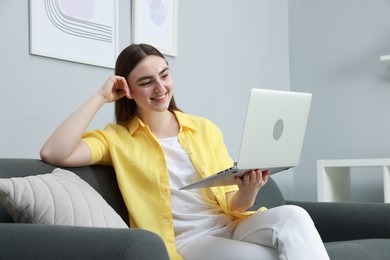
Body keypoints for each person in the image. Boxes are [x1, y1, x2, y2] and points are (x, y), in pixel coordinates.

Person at [40, 43, 329, 260]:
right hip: (189, 240)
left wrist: (249, 191)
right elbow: (54, 152)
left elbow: (234, 205)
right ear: (126, 90)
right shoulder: (116, 139)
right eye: (146, 82)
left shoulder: (203, 128)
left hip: (230, 224)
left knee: (295, 215)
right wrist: (100, 96)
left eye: (164, 75)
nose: (160, 87)